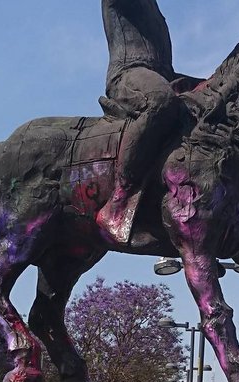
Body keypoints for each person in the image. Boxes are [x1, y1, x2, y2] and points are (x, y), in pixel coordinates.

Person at [96, 0, 190, 243]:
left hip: (164, 77)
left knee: (217, 93)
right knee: (159, 100)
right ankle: (119, 200)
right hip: (129, 73)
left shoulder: (156, 11)